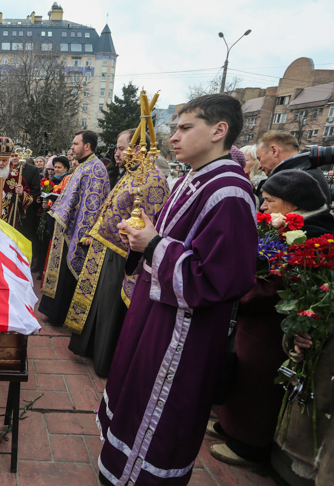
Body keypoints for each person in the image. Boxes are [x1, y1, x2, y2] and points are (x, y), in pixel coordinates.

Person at [96, 94, 258, 486]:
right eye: (174, 128)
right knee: (134, 397)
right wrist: (143, 237)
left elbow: (221, 279)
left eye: (185, 128)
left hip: (184, 335)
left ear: (219, 131)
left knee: (160, 415)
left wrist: (152, 244)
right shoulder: (193, 178)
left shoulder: (230, 192)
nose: (173, 136)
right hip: (156, 316)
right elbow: (170, 242)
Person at [209, 169, 334, 469]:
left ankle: (247, 445)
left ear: (292, 205)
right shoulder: (295, 224)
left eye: (269, 201)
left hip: (272, 326)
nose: (263, 208)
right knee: (242, 375)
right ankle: (229, 426)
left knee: (257, 384)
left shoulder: (311, 233)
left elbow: (279, 285)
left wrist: (237, 289)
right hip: (256, 321)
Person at [65, 129, 170, 376]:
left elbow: (150, 219)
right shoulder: (131, 174)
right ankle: (90, 348)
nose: (116, 153)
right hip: (104, 246)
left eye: (121, 148)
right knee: (99, 303)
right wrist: (95, 232)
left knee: (111, 306)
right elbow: (110, 206)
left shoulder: (152, 179)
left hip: (122, 254)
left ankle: (105, 359)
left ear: (137, 149)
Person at [39, 131, 109, 326]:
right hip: (67, 225)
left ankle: (61, 315)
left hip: (77, 230)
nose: (72, 147)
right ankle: (54, 312)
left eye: (75, 143)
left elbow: (93, 206)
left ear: (87, 146)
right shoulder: (84, 166)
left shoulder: (96, 168)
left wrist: (83, 230)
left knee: (68, 275)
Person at [255, 131, 331, 204]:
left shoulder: (295, 178)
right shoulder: (308, 171)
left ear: (274, 151)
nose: (259, 166)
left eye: (259, 159)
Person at [0, 136, 33, 228]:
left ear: (9, 161)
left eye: (4, 160)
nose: (1, 163)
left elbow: (29, 199)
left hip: (8, 222)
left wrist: (21, 193)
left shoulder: (16, 175)